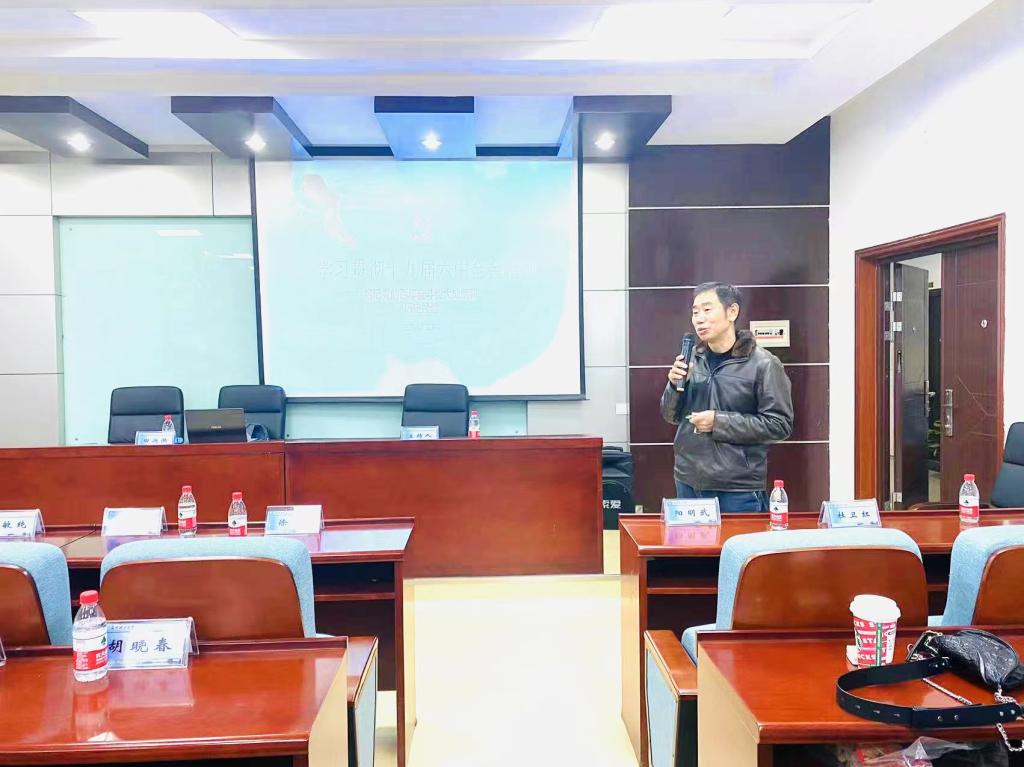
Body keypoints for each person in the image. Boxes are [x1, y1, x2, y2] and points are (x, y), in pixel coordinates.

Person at [660, 282, 793, 512]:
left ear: (732, 312)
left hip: (737, 489)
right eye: (695, 312)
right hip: (688, 481)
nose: (699, 319)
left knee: (739, 538)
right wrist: (674, 385)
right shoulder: (692, 359)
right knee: (690, 538)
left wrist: (718, 422)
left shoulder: (763, 364)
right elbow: (670, 415)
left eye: (707, 309)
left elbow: (779, 424)